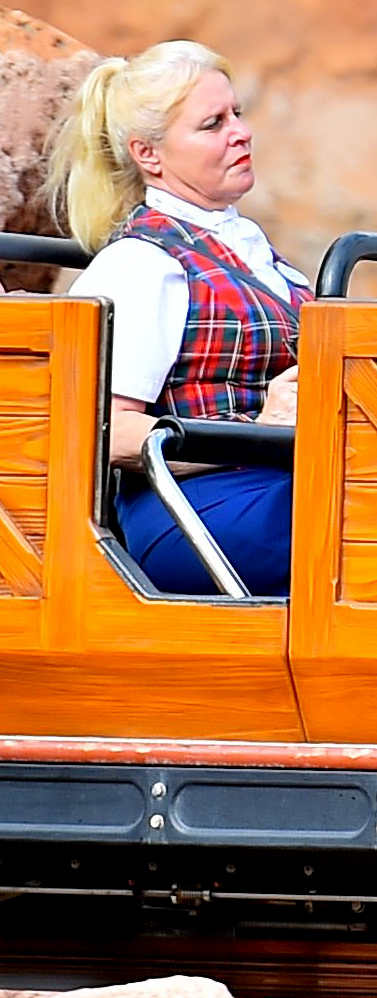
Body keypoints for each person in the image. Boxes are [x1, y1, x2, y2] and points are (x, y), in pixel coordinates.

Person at [51, 41, 306, 596]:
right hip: (189, 510)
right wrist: (256, 431)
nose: (240, 131)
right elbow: (102, 432)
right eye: (212, 123)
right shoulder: (144, 262)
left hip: (278, 483)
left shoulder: (249, 249)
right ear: (149, 154)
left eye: (236, 113)